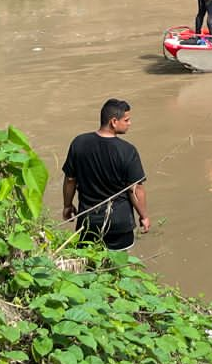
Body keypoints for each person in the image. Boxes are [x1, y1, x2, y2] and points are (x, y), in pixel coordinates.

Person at [61, 99, 149, 251]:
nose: (130, 123)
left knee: (90, 270)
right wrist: (144, 216)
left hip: (88, 225)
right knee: (119, 271)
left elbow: (70, 180)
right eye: (126, 120)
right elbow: (135, 189)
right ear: (114, 121)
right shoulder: (127, 151)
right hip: (119, 225)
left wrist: (67, 205)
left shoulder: (78, 143)